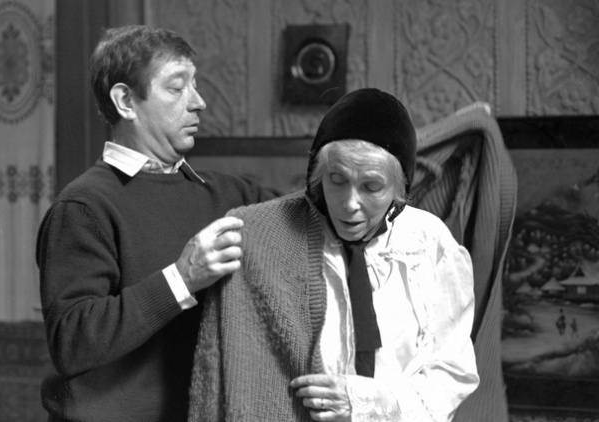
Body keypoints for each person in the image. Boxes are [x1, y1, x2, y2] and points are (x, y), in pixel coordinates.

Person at [189, 88, 479, 421]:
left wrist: (369, 404)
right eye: (337, 180)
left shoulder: (429, 245)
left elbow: (452, 372)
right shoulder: (267, 235)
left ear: (399, 189)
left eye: (371, 187)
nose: (349, 203)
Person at [35, 25, 277, 422]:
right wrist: (182, 278)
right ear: (126, 101)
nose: (198, 102)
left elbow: (314, 217)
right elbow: (72, 342)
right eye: (177, 88)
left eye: (194, 85)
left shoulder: (233, 195)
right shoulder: (83, 207)